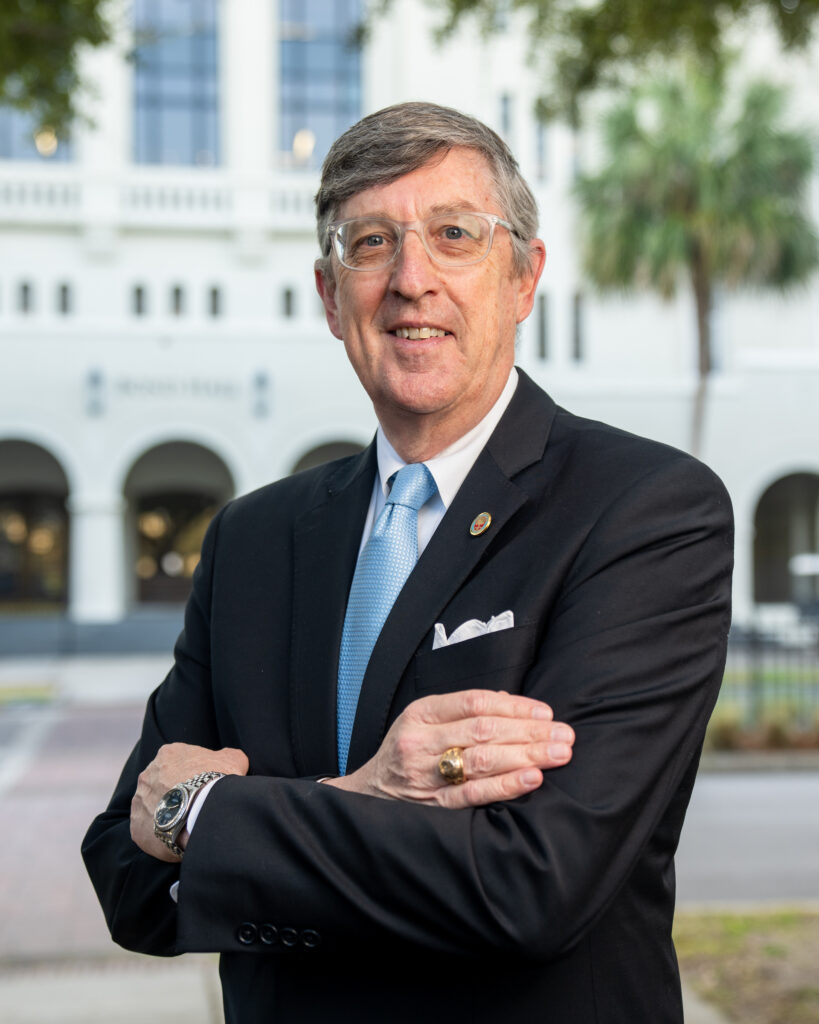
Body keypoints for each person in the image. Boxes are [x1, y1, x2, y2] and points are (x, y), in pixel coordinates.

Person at [83, 102, 733, 1024]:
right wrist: (359, 797)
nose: (411, 279)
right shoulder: (253, 541)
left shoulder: (645, 510)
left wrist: (205, 818)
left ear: (523, 277)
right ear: (326, 293)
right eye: (373, 242)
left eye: (455, 234)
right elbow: (126, 880)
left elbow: (530, 884)